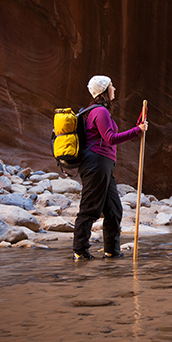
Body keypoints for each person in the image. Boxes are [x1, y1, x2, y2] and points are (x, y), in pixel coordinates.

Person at [73, 75, 148, 261]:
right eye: (111, 86)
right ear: (104, 90)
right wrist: (137, 131)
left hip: (103, 165)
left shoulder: (100, 111)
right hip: (96, 164)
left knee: (114, 210)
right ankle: (80, 251)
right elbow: (110, 138)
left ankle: (112, 252)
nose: (114, 88)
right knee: (89, 208)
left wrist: (136, 131)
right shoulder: (100, 112)